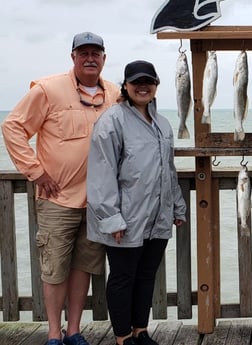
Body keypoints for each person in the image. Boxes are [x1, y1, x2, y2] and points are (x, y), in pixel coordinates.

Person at [1, 32, 120, 345]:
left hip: (98, 202)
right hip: (57, 200)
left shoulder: (116, 94)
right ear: (73, 58)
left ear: (104, 58)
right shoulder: (47, 88)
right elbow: (12, 127)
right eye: (84, 53)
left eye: (96, 53)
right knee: (54, 269)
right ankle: (54, 333)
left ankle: (74, 330)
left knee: (84, 267)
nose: (90, 58)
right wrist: (35, 171)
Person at [86, 60, 187, 345]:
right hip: (125, 218)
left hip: (157, 217)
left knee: (146, 276)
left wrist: (177, 207)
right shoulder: (112, 120)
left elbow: (168, 170)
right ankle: (122, 336)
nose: (143, 87)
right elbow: (101, 172)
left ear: (156, 85)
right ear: (126, 86)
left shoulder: (163, 124)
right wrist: (111, 218)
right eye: (136, 82)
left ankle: (140, 331)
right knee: (122, 277)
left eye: (148, 82)